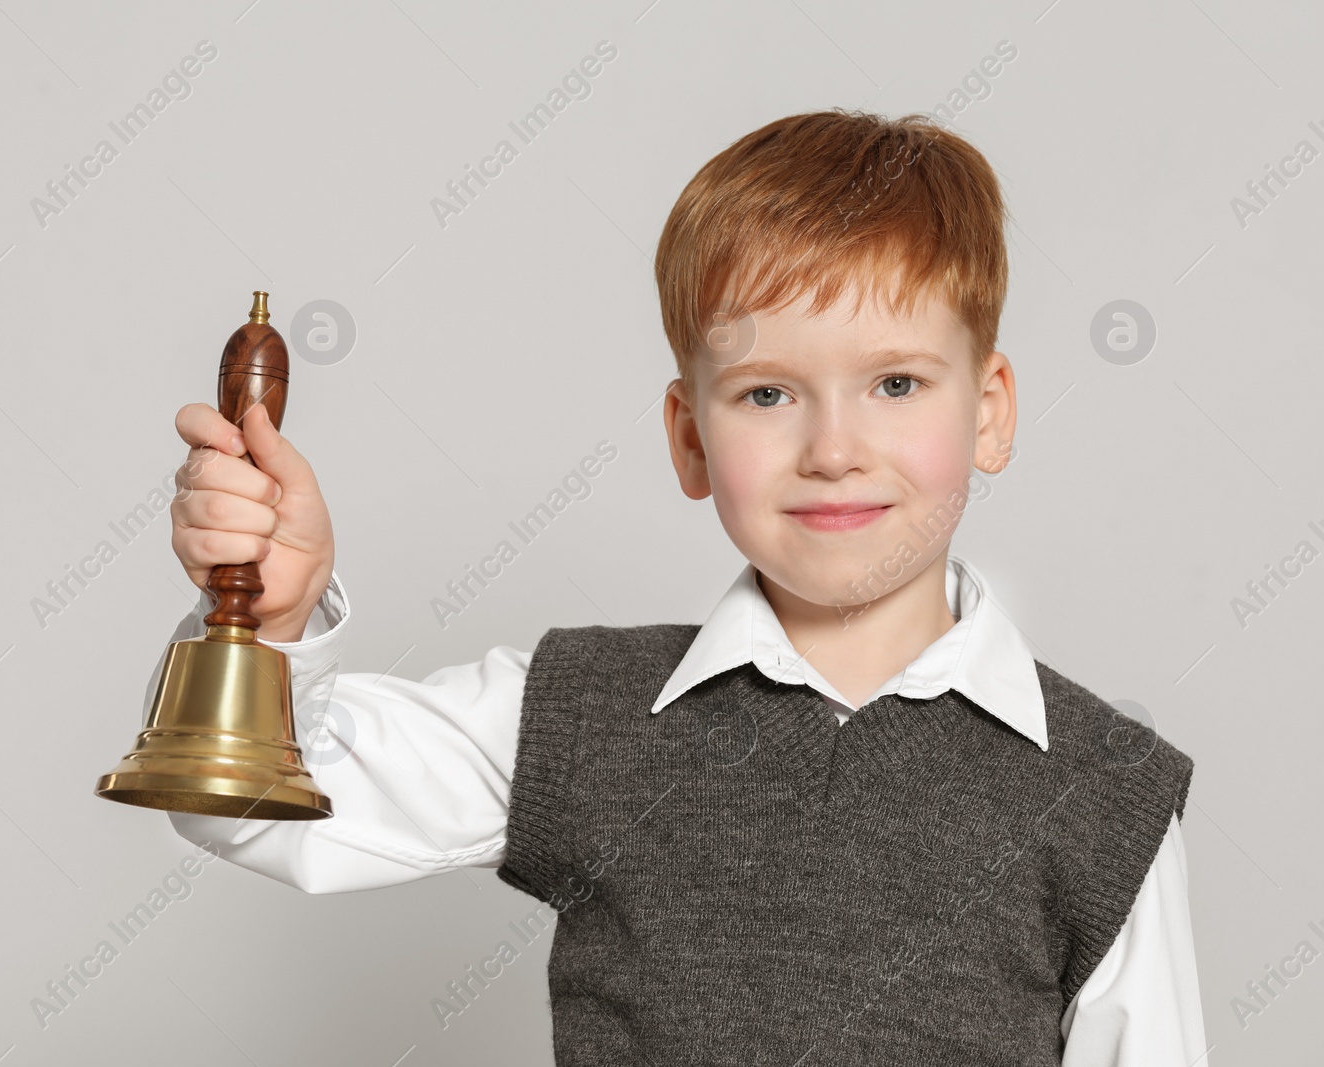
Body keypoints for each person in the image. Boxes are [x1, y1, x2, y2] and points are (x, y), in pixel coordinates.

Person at [151, 110, 1206, 1064]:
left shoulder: (1105, 792)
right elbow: (245, 807)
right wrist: (271, 615)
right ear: (690, 437)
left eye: (894, 383)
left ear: (988, 410)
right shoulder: (579, 715)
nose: (833, 448)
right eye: (765, 392)